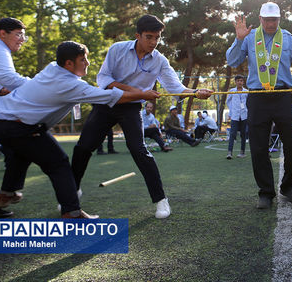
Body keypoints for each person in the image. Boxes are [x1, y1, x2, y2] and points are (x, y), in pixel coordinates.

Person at [0, 41, 159, 218]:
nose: (88, 63)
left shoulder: (53, 68)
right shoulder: (70, 85)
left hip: (0, 120)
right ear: (69, 63)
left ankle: (6, 194)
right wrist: (143, 94)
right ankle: (72, 212)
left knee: (22, 153)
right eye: (83, 59)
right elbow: (112, 97)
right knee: (59, 163)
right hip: (16, 125)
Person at [70, 15, 212, 219]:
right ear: (137, 35)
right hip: (106, 102)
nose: (154, 42)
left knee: (139, 150)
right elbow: (103, 79)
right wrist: (137, 92)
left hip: (131, 108)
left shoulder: (160, 60)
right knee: (84, 147)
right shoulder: (117, 49)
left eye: (157, 38)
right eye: (149, 37)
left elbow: (175, 87)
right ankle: (72, 193)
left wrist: (196, 92)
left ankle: (161, 200)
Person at [226, 1, 292, 209]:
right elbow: (232, 61)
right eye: (267, 19)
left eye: (274, 19)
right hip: (257, 97)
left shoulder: (287, 38)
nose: (270, 23)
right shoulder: (248, 37)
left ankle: (287, 186)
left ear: (279, 19)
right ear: (260, 19)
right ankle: (266, 192)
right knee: (258, 148)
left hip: (283, 96)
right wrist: (238, 39)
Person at [0, 17, 31, 218]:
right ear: (2, 33)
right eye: (18, 34)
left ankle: (2, 195)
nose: (23, 39)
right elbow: (10, 80)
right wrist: (45, 84)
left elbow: (2, 88)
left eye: (24, 35)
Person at [226, 75, 248, 159]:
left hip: (244, 116)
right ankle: (229, 153)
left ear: (243, 82)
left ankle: (242, 152)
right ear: (235, 82)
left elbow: (249, 103)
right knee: (232, 134)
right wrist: (232, 111)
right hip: (235, 116)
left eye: (241, 81)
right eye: (238, 80)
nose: (240, 82)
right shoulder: (232, 91)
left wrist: (247, 111)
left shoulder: (246, 91)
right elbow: (228, 102)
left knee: (243, 134)